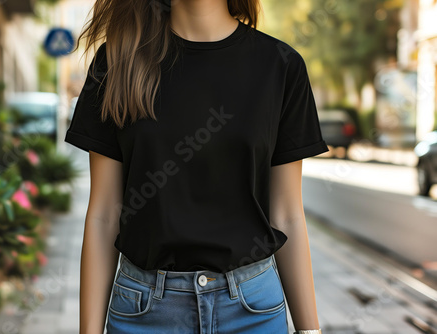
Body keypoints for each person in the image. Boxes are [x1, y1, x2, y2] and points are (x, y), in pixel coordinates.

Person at [64, 0, 328, 333]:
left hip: (253, 312)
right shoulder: (116, 64)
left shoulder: (281, 66)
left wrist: (310, 330)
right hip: (144, 314)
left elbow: (288, 213)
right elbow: (103, 214)